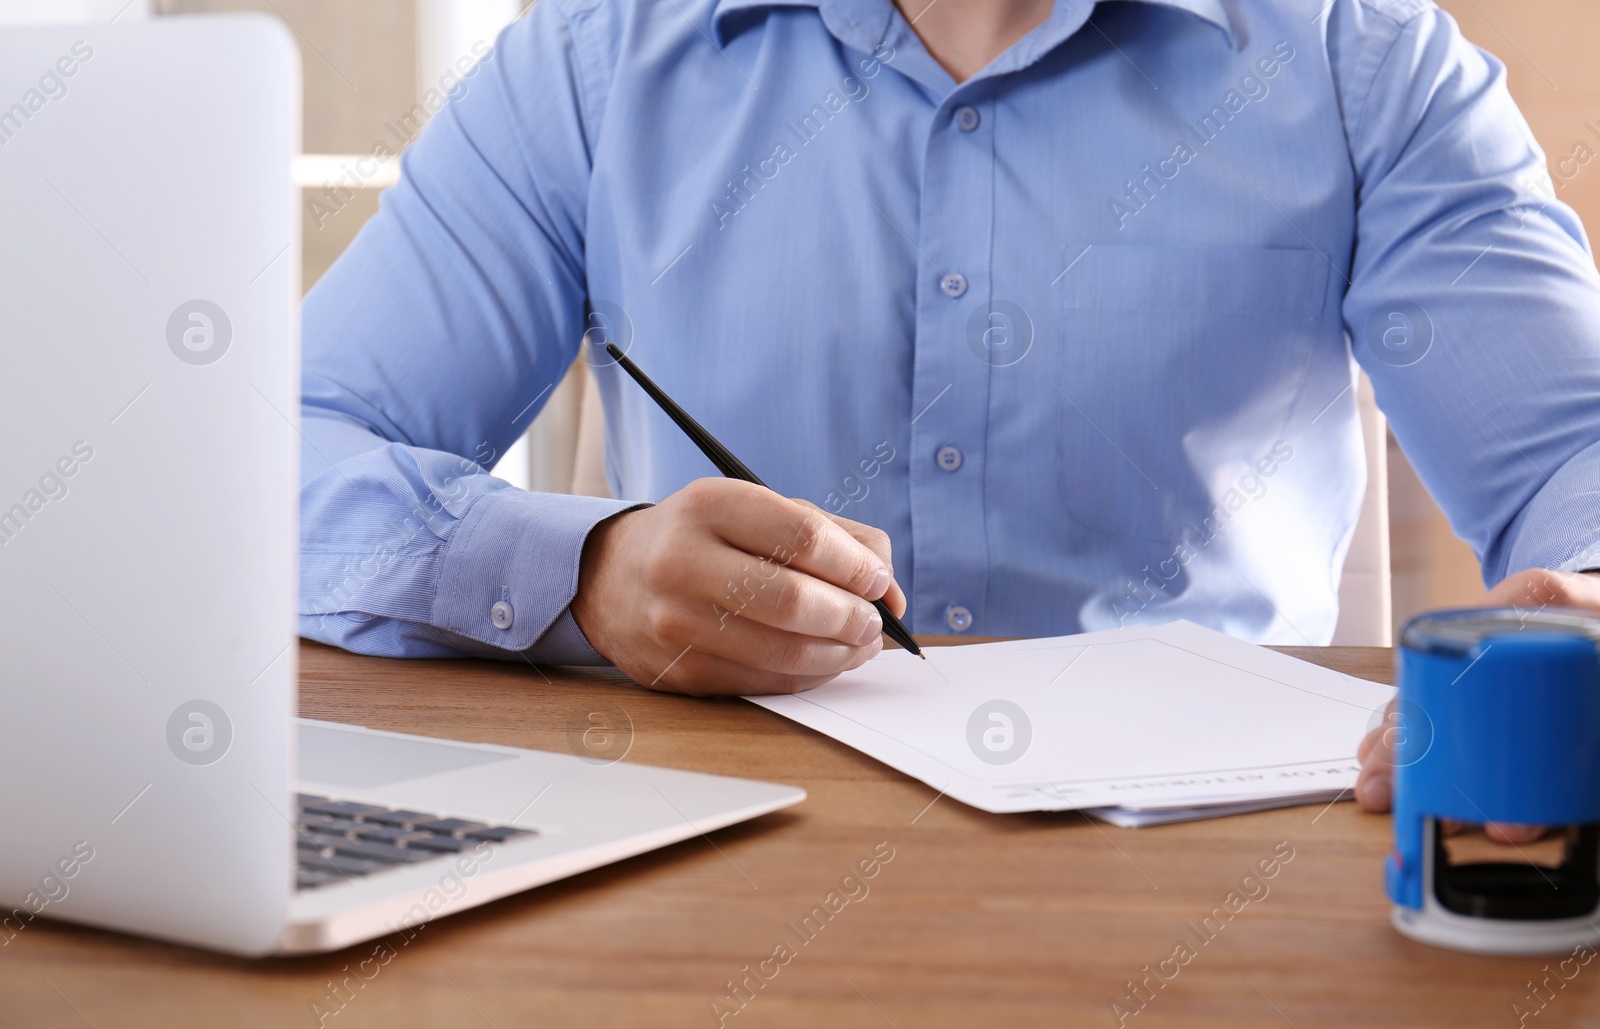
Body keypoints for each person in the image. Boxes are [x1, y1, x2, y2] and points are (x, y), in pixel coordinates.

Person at [298, 0, 1600, 825]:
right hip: (718, 860)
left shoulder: (1361, 60)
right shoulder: (589, 64)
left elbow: (1571, 457)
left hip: (1220, 877)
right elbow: (275, 461)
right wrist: (581, 575)